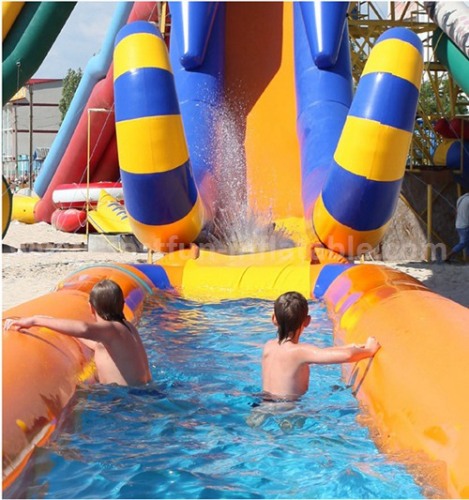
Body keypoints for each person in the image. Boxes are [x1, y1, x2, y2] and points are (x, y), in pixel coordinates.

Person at [4, 279, 151, 386]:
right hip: (141, 394)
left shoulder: (112, 329)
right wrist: (51, 321)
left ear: (91, 308)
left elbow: (84, 329)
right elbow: (96, 344)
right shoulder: (126, 328)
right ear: (122, 304)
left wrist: (35, 321)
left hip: (128, 402)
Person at [262, 291, 380, 400]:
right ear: (307, 321)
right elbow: (347, 355)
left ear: (274, 319)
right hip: (287, 411)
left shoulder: (269, 346)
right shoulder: (300, 352)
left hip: (263, 403)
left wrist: (348, 346)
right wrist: (370, 350)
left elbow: (322, 352)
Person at [445, 192, 469, 262]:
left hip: (459, 225)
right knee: (463, 243)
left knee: (467, 243)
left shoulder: (461, 198)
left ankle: (467, 260)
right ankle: (448, 256)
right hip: (465, 226)